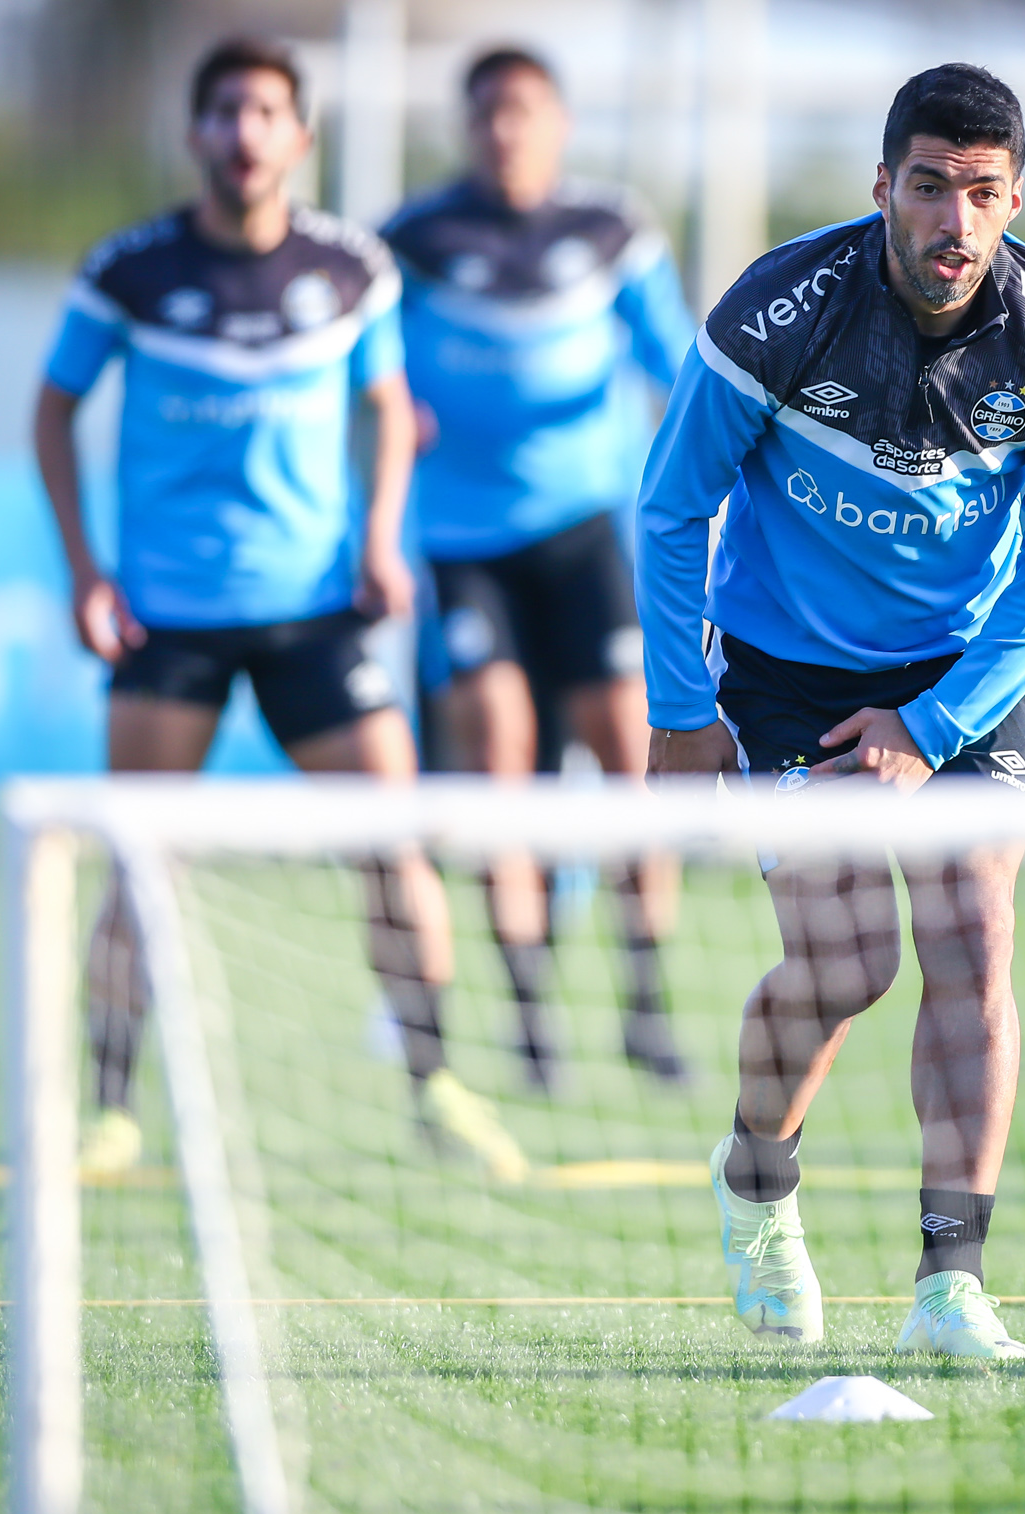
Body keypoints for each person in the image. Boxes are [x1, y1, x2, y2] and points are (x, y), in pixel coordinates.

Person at [639, 65, 1025, 1357]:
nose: (951, 221)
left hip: (960, 680)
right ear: (882, 188)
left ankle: (950, 1283)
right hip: (786, 672)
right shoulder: (782, 309)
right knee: (849, 965)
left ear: (1015, 201)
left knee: (975, 932)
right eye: (926, 186)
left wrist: (934, 722)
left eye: (979, 193)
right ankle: (755, 1189)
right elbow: (672, 504)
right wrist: (683, 718)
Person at [34, 37, 526, 1183]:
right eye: (225, 112)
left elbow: (393, 408)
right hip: (170, 617)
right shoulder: (130, 271)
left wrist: (377, 541)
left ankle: (434, 1086)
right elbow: (52, 411)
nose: (245, 133)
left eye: (267, 112)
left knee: (394, 846)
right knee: (139, 862)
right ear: (195, 135)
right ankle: (109, 1110)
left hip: (316, 612)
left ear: (299, 138)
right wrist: (83, 569)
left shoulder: (354, 270)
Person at [381, 47, 695, 1094]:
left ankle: (646, 1004)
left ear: (557, 124)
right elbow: (361, 376)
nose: (503, 132)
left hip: (582, 536)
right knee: (501, 760)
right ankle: (529, 1022)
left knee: (631, 753)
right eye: (485, 115)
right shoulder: (412, 244)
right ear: (463, 129)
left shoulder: (613, 233)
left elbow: (685, 378)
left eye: (522, 112)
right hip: (465, 549)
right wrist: (385, 422)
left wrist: (711, 505)